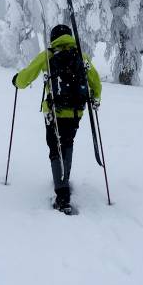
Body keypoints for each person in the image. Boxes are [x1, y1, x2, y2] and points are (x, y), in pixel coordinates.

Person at [12, 24, 101, 211]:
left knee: (55, 148)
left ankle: (62, 195)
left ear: (53, 38)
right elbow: (96, 83)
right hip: (76, 112)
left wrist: (16, 80)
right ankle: (64, 179)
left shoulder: (48, 55)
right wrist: (96, 98)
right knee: (67, 143)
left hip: (54, 113)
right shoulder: (81, 57)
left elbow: (25, 77)